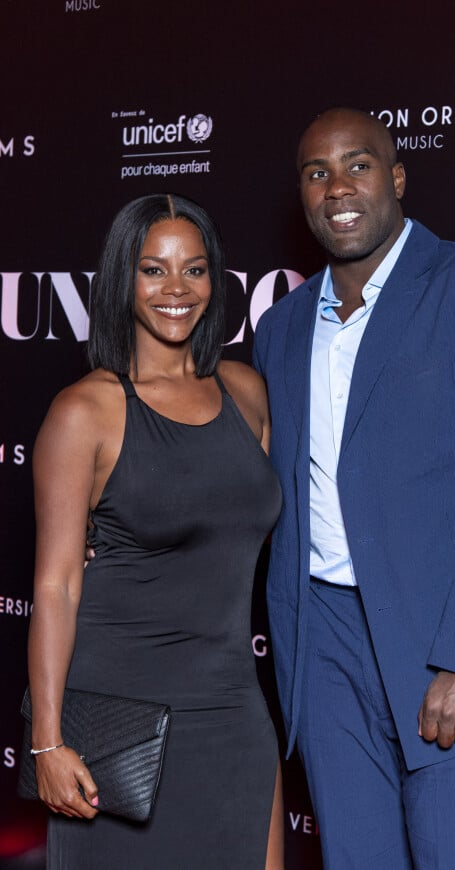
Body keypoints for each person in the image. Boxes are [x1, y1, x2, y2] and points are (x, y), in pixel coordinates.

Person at [253, 108, 455, 869]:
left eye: (358, 165)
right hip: (325, 650)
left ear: (396, 177)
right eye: (316, 173)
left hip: (452, 641)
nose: (338, 187)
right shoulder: (282, 329)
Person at [27, 193, 284, 869]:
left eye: (195, 270)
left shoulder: (246, 393)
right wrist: (48, 742)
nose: (177, 289)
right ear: (123, 279)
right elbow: (55, 587)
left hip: (233, 711)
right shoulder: (86, 410)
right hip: (118, 724)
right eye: (154, 269)